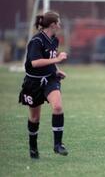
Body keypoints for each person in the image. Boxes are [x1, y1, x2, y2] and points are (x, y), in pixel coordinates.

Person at [19, 11, 68, 158]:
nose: (60, 25)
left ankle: (57, 145)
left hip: (49, 79)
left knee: (58, 107)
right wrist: (57, 61)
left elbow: (50, 58)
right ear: (53, 24)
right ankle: (33, 147)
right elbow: (35, 62)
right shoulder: (37, 41)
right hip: (33, 83)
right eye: (58, 22)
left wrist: (57, 70)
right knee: (35, 118)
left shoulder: (55, 40)